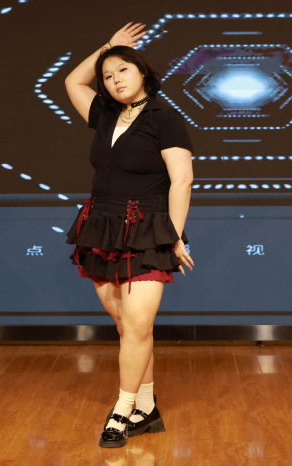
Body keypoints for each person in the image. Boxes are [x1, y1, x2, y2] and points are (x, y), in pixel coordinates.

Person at [64, 22, 194, 448]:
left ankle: (121, 412)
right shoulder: (104, 115)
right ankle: (146, 406)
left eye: (123, 69)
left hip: (148, 229)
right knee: (126, 324)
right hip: (102, 226)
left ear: (142, 72)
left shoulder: (164, 118)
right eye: (107, 75)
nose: (115, 79)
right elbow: (72, 82)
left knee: (138, 323)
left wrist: (175, 235)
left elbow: (182, 181)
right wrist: (108, 46)